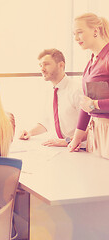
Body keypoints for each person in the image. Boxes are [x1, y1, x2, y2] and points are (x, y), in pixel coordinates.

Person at [19, 49, 83, 147]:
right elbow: (47, 122)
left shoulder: (77, 90)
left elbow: (91, 127)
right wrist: (29, 132)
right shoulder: (49, 91)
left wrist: (67, 141)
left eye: (46, 64)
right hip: (57, 148)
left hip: (78, 148)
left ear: (61, 65)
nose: (42, 69)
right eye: (40, 65)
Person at [69, 13, 109, 159]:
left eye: (80, 32)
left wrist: (94, 105)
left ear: (95, 31)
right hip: (95, 131)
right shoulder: (92, 60)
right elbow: (86, 103)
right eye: (74, 34)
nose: (76, 38)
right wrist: (76, 138)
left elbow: (90, 104)